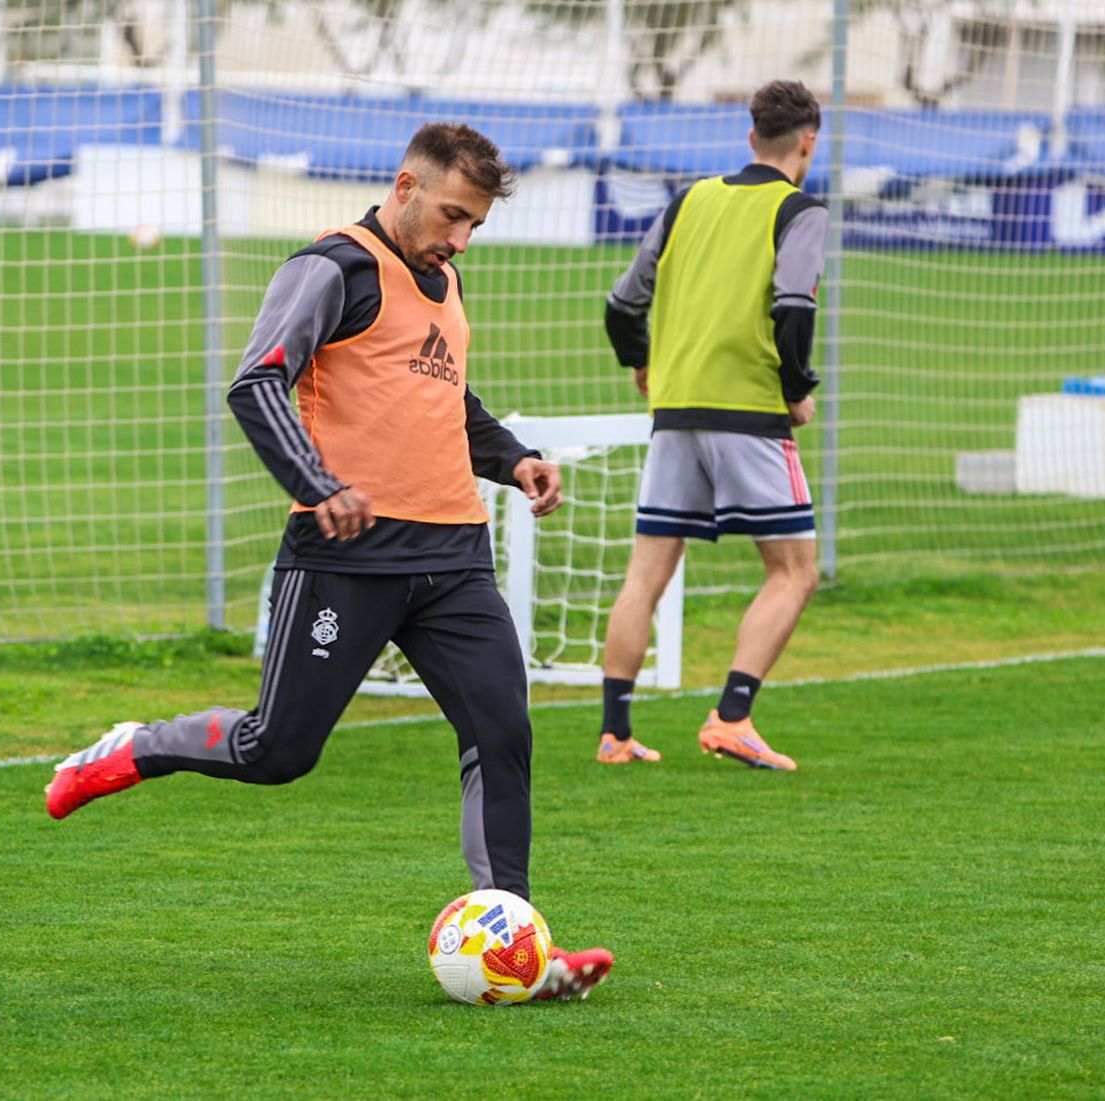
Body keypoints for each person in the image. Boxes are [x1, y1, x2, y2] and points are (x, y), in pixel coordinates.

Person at [46, 122, 611, 1000]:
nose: (461, 240)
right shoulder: (333, 268)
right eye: (454, 216)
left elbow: (445, 396)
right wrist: (318, 483)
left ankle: (518, 951)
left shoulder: (446, 278)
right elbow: (257, 380)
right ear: (406, 185)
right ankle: (140, 745)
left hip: (455, 559)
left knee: (502, 733)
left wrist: (514, 458)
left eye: (476, 227)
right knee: (278, 751)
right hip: (346, 556)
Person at [594, 80, 826, 771]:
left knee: (647, 573)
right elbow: (793, 309)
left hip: (675, 414)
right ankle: (732, 715)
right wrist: (795, 390)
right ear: (807, 143)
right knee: (795, 571)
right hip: (749, 415)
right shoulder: (800, 209)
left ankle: (615, 733)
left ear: (750, 138)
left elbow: (619, 307)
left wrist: (642, 364)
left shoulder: (688, 200)